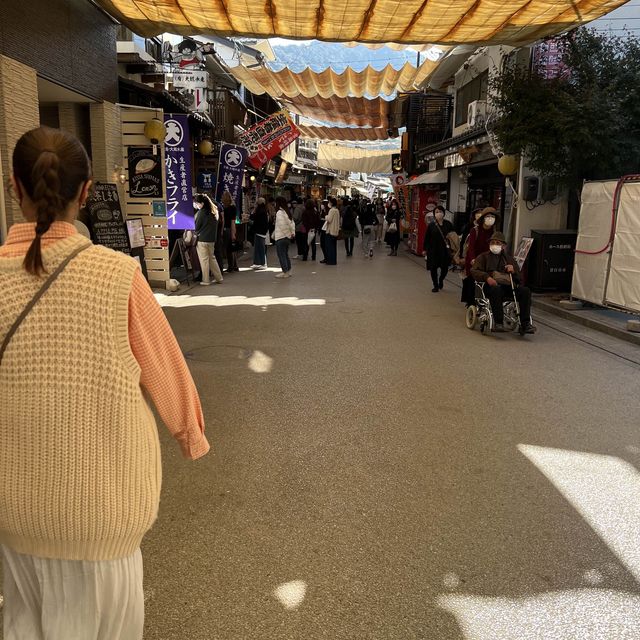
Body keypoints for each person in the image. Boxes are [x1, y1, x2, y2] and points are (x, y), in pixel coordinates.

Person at [0, 126, 210, 639]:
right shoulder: (116, 276)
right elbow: (168, 368)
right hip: (104, 512)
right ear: (88, 192)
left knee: (23, 624)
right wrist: (190, 434)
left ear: (14, 187)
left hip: (13, 509)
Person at [471, 232, 535, 333]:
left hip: (508, 288)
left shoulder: (509, 259)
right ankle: (498, 323)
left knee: (525, 291)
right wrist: (487, 277)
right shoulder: (483, 257)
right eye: (493, 242)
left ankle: (525, 323)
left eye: (498, 243)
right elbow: (474, 271)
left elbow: (519, 278)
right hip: (490, 287)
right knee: (496, 290)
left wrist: (513, 271)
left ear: (503, 246)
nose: (495, 245)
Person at [463, 207, 499, 305]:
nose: (490, 218)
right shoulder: (475, 230)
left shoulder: (495, 232)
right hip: (474, 259)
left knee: (487, 280)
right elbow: (471, 247)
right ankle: (471, 303)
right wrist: (473, 259)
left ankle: (485, 300)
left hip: (488, 260)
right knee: (472, 280)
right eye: (488, 216)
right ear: (483, 218)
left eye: (492, 216)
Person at [423, 205, 454, 292]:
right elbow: (427, 238)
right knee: (433, 268)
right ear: (434, 214)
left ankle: (441, 279)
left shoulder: (448, 224)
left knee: (444, 268)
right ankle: (435, 285)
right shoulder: (431, 225)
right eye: (436, 212)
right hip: (433, 250)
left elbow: (454, 237)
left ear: (443, 213)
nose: (438, 213)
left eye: (440, 211)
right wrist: (425, 249)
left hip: (445, 250)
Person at [194, 193, 223, 285]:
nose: (197, 205)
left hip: (202, 239)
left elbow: (197, 227)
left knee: (204, 260)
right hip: (212, 239)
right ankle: (219, 278)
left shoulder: (201, 213)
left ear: (202, 203)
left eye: (197, 203)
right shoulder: (214, 211)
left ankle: (206, 280)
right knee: (212, 258)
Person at [273, 195, 295, 278]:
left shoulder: (279, 213)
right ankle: (288, 270)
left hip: (281, 237)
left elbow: (282, 225)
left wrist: (287, 234)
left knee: (281, 255)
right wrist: (291, 234)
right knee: (285, 254)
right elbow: (292, 224)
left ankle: (285, 271)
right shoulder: (287, 211)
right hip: (287, 238)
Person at [221, 190, 238, 273]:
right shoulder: (233, 207)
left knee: (228, 249)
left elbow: (230, 221)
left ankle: (231, 266)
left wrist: (232, 233)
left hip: (226, 229)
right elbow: (233, 221)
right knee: (231, 248)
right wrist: (234, 232)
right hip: (230, 228)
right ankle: (234, 265)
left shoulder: (223, 208)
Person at [250, 197, 270, 270]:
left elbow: (253, 218)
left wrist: (254, 210)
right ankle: (258, 262)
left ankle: (262, 263)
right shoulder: (264, 210)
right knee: (259, 247)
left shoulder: (260, 211)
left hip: (259, 231)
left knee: (260, 248)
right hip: (262, 231)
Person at [323, 197, 340, 265]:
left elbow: (329, 219)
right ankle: (333, 260)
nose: (328, 203)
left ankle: (330, 261)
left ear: (331, 203)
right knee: (333, 247)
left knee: (329, 247)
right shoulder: (337, 210)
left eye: (329, 202)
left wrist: (325, 216)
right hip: (335, 230)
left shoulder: (332, 210)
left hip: (330, 230)